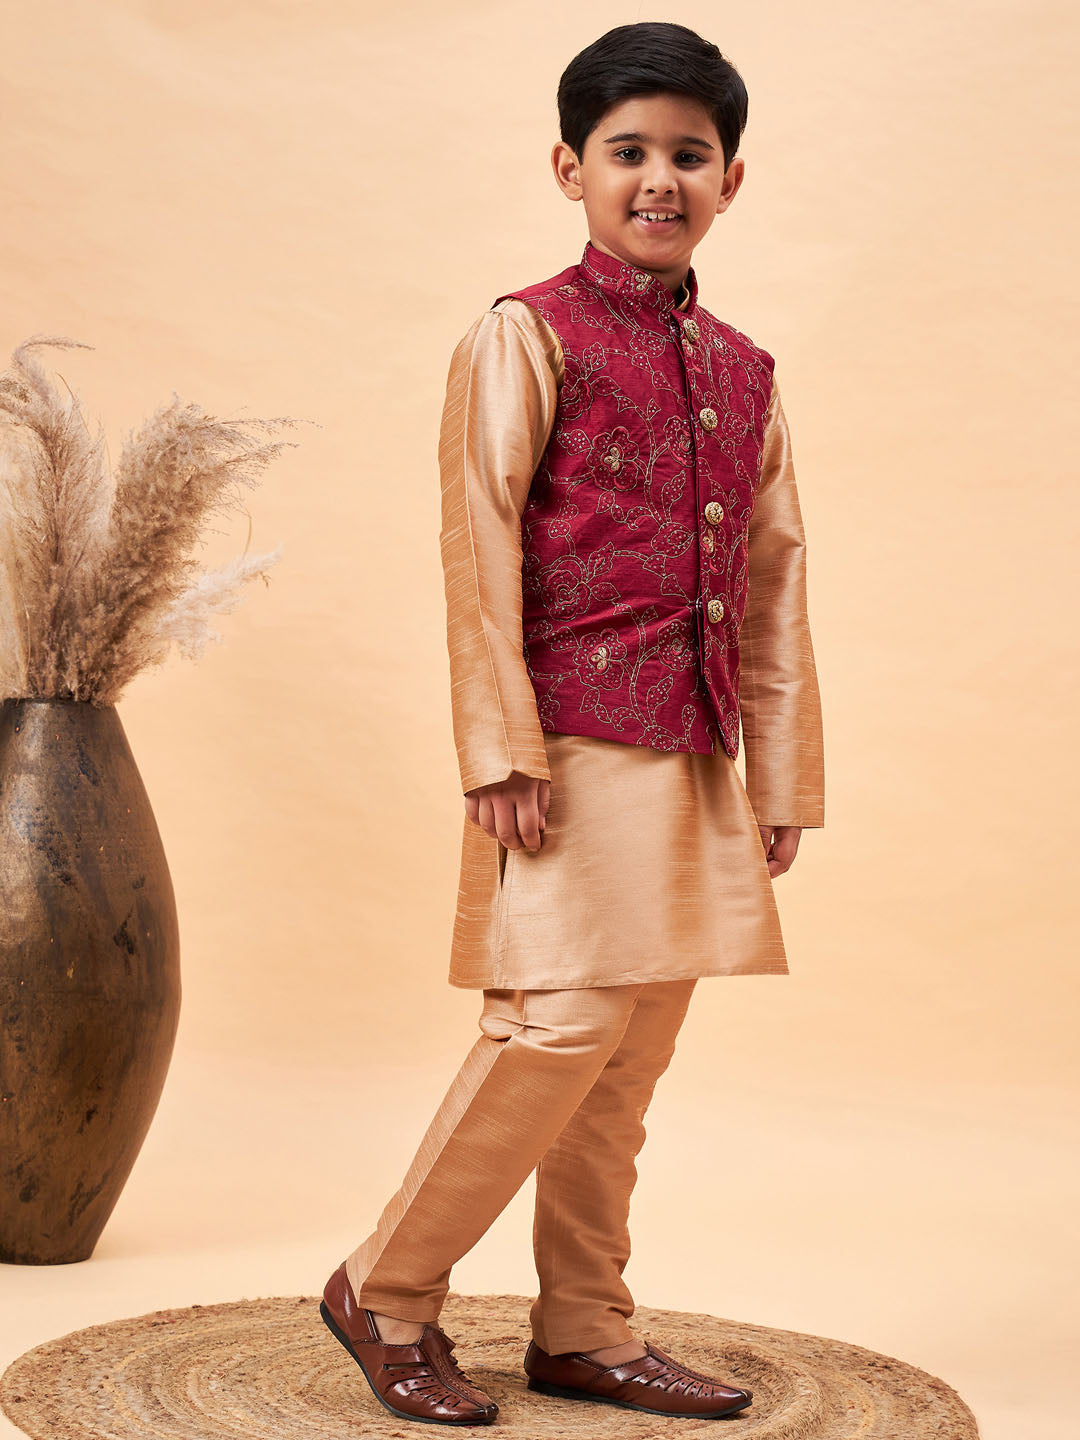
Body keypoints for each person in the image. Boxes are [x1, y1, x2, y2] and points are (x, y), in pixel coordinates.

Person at [320, 19, 824, 1427]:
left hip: (697, 746)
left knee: (629, 1053)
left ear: (730, 179)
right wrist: (497, 746)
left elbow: (775, 575)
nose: (659, 179)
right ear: (570, 168)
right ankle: (387, 1289)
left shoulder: (746, 369)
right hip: (569, 738)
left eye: (689, 154)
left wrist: (782, 774)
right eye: (627, 152)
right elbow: (477, 533)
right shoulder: (526, 333)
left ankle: (586, 1326)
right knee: (558, 1027)